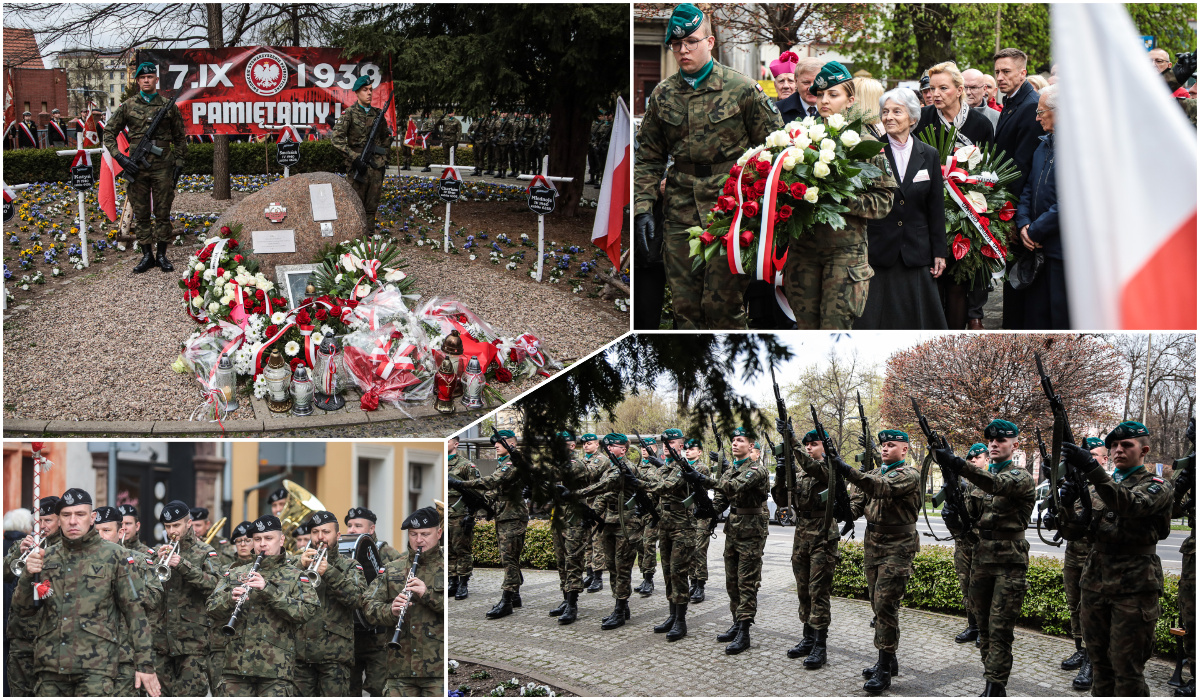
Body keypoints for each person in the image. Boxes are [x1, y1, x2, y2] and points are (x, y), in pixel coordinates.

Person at [634, 2, 783, 330]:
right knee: (684, 310)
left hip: (731, 212)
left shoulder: (742, 88)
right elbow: (647, 157)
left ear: (710, 42)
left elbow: (775, 147)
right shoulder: (662, 95)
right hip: (679, 213)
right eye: (676, 44)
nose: (683, 50)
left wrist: (758, 202)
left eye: (691, 42)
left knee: (724, 309)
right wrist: (643, 208)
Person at [1058, 422, 1173, 696]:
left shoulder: (1157, 486)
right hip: (1095, 584)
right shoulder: (1098, 488)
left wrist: (1092, 469)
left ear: (1143, 450)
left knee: (1127, 670)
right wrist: (1065, 504)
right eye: (1114, 446)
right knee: (1099, 666)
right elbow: (1075, 532)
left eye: (1126, 445)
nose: (1118, 450)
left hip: (1133, 589)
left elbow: (1132, 505)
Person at [12, 488, 162, 696]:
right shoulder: (46, 556)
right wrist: (29, 574)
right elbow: (22, 610)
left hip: (95, 668)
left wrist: (145, 665)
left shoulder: (115, 555)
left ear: (91, 518)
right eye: (66, 515)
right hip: (50, 667)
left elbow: (135, 612)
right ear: (60, 519)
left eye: (80, 514)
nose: (73, 521)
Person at [782, 61, 896, 330]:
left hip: (844, 254)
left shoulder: (864, 141)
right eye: (820, 94)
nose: (824, 100)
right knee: (806, 329)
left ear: (850, 100)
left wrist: (840, 200)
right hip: (803, 253)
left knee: (835, 329)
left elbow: (884, 201)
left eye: (833, 95)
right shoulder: (801, 136)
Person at [934, 419, 1036, 697]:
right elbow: (967, 527)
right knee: (984, 628)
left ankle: (995, 687)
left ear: (1014, 445)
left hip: (1009, 563)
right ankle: (992, 681)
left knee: (1001, 629)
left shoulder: (1020, 477)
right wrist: (953, 515)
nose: (994, 444)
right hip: (981, 559)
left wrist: (956, 463)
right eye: (990, 440)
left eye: (1001, 440)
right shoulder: (975, 485)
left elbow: (994, 483)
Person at [854, 87, 948, 330]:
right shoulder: (871, 151)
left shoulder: (929, 154)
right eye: (885, 112)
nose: (889, 117)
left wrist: (939, 252)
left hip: (915, 252)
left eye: (897, 111)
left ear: (913, 118)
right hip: (878, 250)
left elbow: (935, 207)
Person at [836, 430, 921, 693]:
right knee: (877, 604)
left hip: (898, 547)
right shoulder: (873, 474)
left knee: (885, 606)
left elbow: (880, 488)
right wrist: (838, 491)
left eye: (891, 445)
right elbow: (854, 509)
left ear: (904, 450)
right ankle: (890, 660)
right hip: (873, 546)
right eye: (883, 445)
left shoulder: (909, 474)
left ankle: (884, 670)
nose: (885, 449)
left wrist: (847, 469)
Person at [914, 61, 994, 330]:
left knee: (959, 282)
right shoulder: (922, 119)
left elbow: (989, 172)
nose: (935, 94)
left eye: (943, 88)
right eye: (932, 88)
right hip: (927, 213)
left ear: (959, 90)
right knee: (934, 281)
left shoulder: (980, 124)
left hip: (966, 213)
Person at [206, 514, 319, 696]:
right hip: (236, 668)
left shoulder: (296, 575)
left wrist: (268, 590)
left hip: (276, 671)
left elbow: (306, 612)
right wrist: (229, 598)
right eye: (257, 539)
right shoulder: (235, 573)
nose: (262, 544)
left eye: (268, 538)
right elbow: (210, 607)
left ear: (281, 540)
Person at [682, 427, 769, 655]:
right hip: (733, 531)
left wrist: (702, 479)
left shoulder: (756, 470)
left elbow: (733, 487)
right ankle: (736, 623)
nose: (735, 443)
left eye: (740, 440)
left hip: (751, 533)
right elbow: (722, 499)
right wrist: (708, 511)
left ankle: (745, 632)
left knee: (746, 583)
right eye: (733, 440)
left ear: (751, 446)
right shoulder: (731, 469)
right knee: (732, 582)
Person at [105, 62, 187, 274]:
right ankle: (147, 256)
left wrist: (179, 162)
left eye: (150, 77)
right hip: (136, 167)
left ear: (156, 80)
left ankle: (161, 255)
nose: (147, 80)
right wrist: (120, 159)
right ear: (138, 81)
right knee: (141, 212)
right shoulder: (129, 105)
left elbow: (179, 137)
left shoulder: (168, 106)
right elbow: (108, 133)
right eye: (143, 78)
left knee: (162, 211)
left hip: (163, 167)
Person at [363, 505, 444, 697]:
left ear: (439, 533)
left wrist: (427, 595)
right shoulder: (393, 569)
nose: (419, 540)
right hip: (399, 670)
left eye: (425, 534)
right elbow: (367, 604)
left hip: (438, 672)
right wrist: (390, 611)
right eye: (413, 534)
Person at [991, 47, 1046, 330]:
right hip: (1010, 206)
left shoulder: (1029, 106)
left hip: (1017, 209)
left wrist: (1011, 215)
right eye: (997, 72)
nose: (1000, 77)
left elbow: (1021, 168)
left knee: (1020, 281)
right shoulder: (1013, 101)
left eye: (1006, 71)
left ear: (1023, 72)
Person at [779, 430, 841, 668]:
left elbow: (814, 468)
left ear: (825, 447)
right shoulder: (802, 473)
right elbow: (784, 499)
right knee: (803, 589)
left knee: (818, 591)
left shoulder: (829, 468)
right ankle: (807, 638)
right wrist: (781, 472)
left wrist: (791, 442)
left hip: (823, 535)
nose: (809, 448)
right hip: (802, 534)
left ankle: (820, 646)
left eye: (813, 444)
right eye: (806, 445)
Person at [453, 431, 529, 619]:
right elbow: (496, 490)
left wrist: (462, 484)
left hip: (513, 516)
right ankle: (516, 594)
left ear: (511, 444)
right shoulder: (504, 462)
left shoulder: (512, 464)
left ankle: (507, 601)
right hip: (505, 515)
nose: (495, 445)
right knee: (511, 557)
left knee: (509, 559)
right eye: (494, 443)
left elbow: (492, 481)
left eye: (500, 443)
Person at [294, 510, 367, 697]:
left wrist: (330, 573)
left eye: (326, 532)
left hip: (335, 656)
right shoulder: (296, 563)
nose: (320, 537)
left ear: (338, 535)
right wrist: (296, 569)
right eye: (315, 532)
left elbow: (358, 599)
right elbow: (279, 593)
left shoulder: (350, 565)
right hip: (300, 655)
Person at [94, 505, 165, 697]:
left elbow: (154, 599)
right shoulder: (83, 563)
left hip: (126, 653)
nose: (100, 536)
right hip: (91, 656)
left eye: (106, 531)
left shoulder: (140, 561)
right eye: (96, 531)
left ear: (121, 532)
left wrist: (127, 584)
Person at [153, 500, 222, 696]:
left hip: (193, 642)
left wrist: (183, 565)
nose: (171, 531)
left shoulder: (205, 552)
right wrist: (152, 566)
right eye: (168, 527)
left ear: (188, 523)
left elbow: (216, 585)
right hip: (162, 641)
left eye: (176, 525)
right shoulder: (162, 552)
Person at [1012, 84, 1067, 329]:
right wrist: (1023, 222)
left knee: (1059, 318)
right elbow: (1029, 187)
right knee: (1035, 319)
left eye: (1041, 112)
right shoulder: (1043, 145)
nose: (1037, 117)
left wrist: (1035, 230)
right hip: (1035, 248)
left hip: (1060, 252)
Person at [1060, 437, 1107, 691]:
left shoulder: (1106, 486)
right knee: (1073, 606)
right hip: (1073, 555)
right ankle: (1080, 649)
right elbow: (1069, 523)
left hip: (1094, 559)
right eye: (1085, 453)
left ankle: (1091, 660)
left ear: (1104, 459)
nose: (1089, 457)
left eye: (1094, 454)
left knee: (1091, 611)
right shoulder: (1075, 484)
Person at [643, 428, 698, 641]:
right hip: (665, 526)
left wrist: (637, 482)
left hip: (682, 527)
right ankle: (672, 615)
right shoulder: (664, 467)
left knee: (678, 572)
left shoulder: (682, 467)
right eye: (664, 444)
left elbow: (664, 487)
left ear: (680, 445)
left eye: (670, 443)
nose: (666, 446)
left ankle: (681, 621)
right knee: (667, 572)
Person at [346, 505, 401, 695]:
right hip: (352, 637)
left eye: (357, 525)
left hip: (378, 638)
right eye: (349, 525)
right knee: (349, 689)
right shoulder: (344, 552)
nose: (352, 530)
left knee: (378, 688)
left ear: (371, 529)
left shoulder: (387, 553)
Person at [547, 431, 598, 625]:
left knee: (573, 561)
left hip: (574, 519)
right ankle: (565, 598)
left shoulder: (576, 464)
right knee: (561, 562)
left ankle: (572, 604)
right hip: (559, 518)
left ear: (570, 446)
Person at [331, 75, 392, 232]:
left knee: (371, 209)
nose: (369, 93)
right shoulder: (349, 114)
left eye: (371, 90)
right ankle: (354, 241)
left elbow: (386, 139)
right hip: (358, 168)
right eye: (365, 90)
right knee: (355, 207)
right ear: (357, 93)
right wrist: (354, 157)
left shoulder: (378, 114)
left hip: (376, 168)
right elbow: (336, 140)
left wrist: (383, 159)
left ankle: (369, 241)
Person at [951, 444, 988, 645]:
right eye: (970, 459)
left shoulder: (993, 484)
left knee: (980, 589)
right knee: (966, 587)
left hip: (982, 545)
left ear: (987, 460)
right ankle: (973, 626)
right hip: (963, 545)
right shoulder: (965, 486)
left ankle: (984, 629)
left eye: (977, 457)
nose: (973, 460)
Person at [1171, 423, 1196, 698]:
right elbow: (1172, 508)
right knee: (1192, 617)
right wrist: (1184, 482)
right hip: (1194, 551)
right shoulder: (1192, 458)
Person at [447, 435, 480, 600]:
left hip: (460, 514)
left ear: (456, 444)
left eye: (446, 440)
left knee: (462, 550)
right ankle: (452, 582)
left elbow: (477, 492)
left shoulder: (466, 466)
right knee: (448, 551)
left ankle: (463, 583)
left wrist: (471, 516)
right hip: (442, 515)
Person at [686, 438, 714, 603]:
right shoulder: (684, 467)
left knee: (700, 550)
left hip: (701, 514)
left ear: (700, 452)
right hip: (688, 515)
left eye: (692, 449)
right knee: (690, 549)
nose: (688, 451)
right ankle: (693, 581)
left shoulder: (701, 467)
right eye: (687, 449)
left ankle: (700, 585)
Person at [634, 436, 660, 597]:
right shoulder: (638, 466)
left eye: (647, 446)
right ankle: (644, 577)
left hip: (652, 511)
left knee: (649, 544)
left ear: (654, 449)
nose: (644, 449)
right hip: (638, 511)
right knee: (639, 545)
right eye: (642, 447)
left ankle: (649, 580)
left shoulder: (658, 466)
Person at [777, 57, 825, 122]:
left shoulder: (835, 110)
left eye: (817, 82)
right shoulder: (777, 110)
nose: (811, 88)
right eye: (806, 82)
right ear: (796, 81)